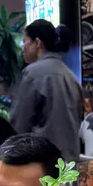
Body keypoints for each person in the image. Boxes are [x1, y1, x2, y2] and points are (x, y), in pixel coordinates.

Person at [10, 20, 83, 164]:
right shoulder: (71, 76)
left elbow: (18, 125)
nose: (23, 48)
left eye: (25, 42)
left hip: (42, 164)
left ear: (37, 43)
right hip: (70, 166)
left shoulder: (32, 73)